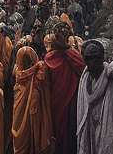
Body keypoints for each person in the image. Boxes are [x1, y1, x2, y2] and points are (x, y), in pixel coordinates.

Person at [75, 40, 113, 154]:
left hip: (110, 130)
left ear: (102, 58)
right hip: (90, 129)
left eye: (96, 58)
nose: (92, 62)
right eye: (89, 58)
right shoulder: (85, 78)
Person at [45, 25, 85, 154]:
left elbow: (83, 70)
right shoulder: (71, 55)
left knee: (67, 129)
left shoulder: (51, 57)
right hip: (61, 100)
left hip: (69, 100)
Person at [12, 46, 53, 154]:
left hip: (23, 109)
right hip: (33, 110)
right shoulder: (38, 70)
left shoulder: (19, 75)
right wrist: (34, 67)